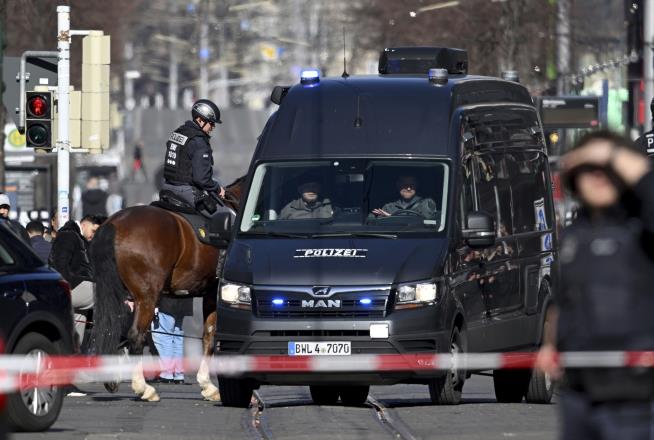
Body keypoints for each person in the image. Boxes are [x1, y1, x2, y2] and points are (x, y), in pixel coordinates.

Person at [535, 130, 654, 440]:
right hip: (578, 394)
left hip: (634, 397)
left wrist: (612, 153)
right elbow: (564, 300)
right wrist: (550, 345)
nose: (597, 177)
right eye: (589, 170)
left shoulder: (642, 227)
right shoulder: (575, 236)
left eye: (606, 170)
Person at [161, 99, 225, 215]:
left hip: (167, 187)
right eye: (211, 122)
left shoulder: (178, 132)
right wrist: (217, 188)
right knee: (220, 215)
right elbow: (201, 179)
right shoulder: (199, 142)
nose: (213, 126)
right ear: (200, 120)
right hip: (186, 192)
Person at [49, 214, 97, 351]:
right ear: (84, 225)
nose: (94, 236)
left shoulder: (75, 238)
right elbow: (59, 264)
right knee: (108, 295)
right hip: (69, 288)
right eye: (93, 231)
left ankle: (73, 363)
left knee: (76, 333)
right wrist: (68, 285)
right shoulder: (68, 236)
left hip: (71, 288)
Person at [150, 297, 193, 384]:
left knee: (163, 337)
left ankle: (166, 374)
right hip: (184, 303)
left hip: (167, 303)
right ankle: (178, 374)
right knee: (177, 339)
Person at [370, 175, 438, 219]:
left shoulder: (427, 203)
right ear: (398, 186)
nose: (408, 188)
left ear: (416, 186)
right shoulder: (388, 206)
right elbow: (380, 225)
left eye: (411, 185)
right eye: (405, 185)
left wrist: (391, 217)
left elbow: (428, 222)